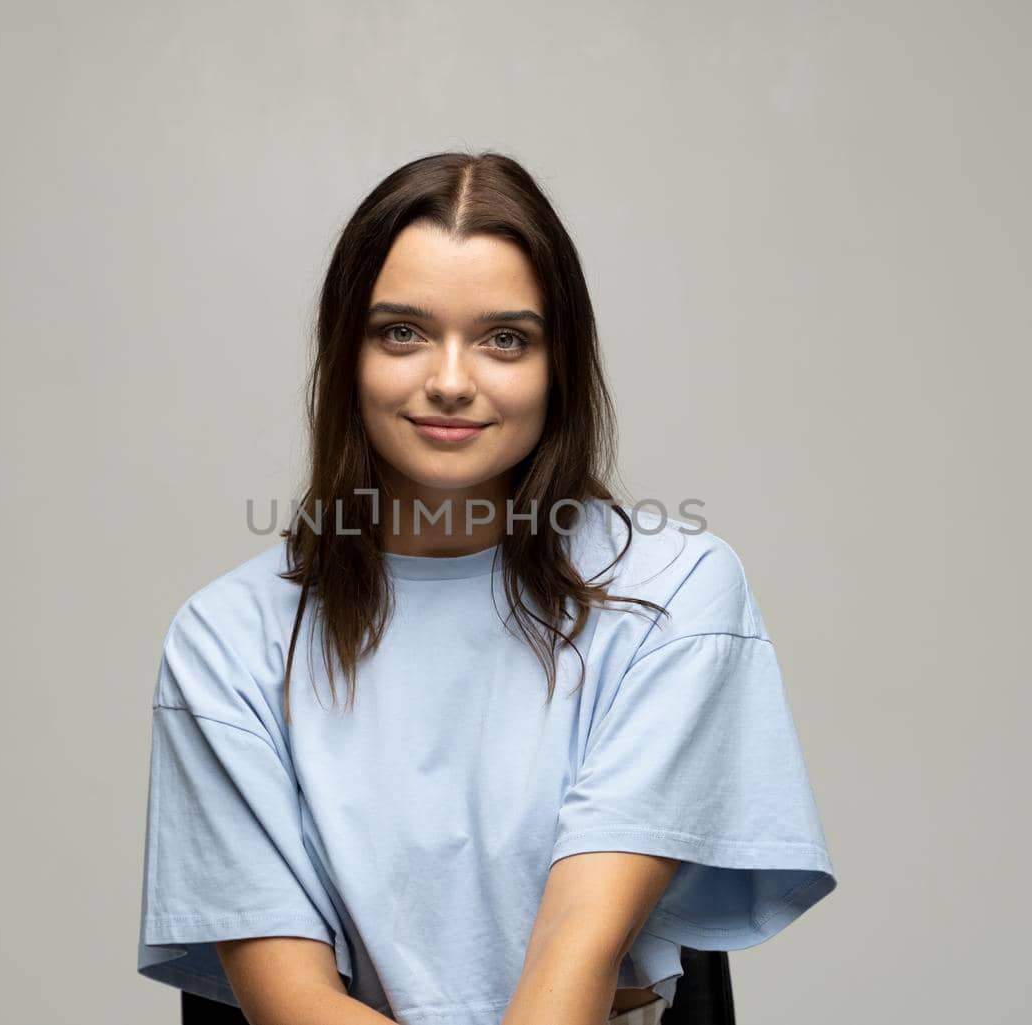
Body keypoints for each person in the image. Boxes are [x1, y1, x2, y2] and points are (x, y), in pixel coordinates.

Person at [136, 151, 837, 1025]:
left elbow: (571, 967)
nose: (452, 381)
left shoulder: (675, 595)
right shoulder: (228, 637)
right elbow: (293, 1005)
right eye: (402, 331)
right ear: (345, 353)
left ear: (561, 366)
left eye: (506, 338)